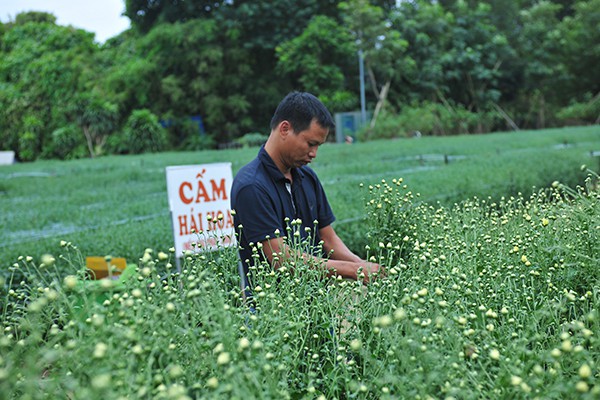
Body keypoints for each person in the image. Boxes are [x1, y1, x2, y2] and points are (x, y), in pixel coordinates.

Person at [231, 91, 382, 294]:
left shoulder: (307, 177)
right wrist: (352, 270)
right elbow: (282, 260)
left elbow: (327, 238)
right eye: (311, 144)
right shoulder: (252, 186)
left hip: (317, 305)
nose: (314, 154)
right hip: (273, 314)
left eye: (318, 146)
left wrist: (365, 267)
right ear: (285, 129)